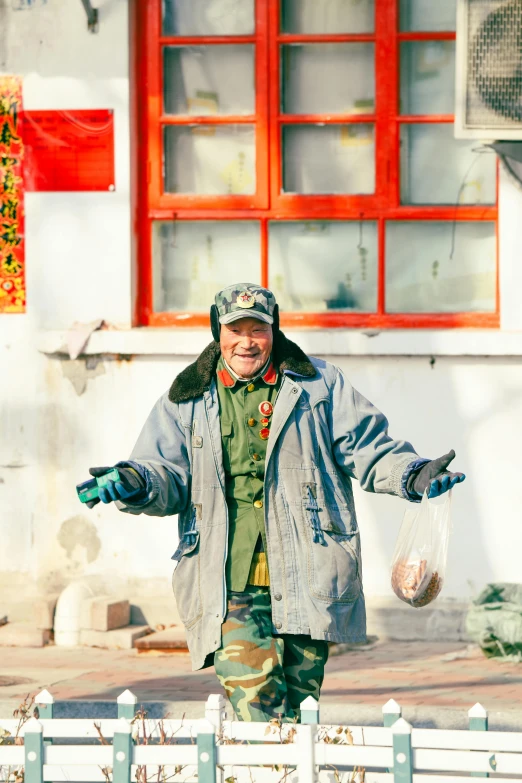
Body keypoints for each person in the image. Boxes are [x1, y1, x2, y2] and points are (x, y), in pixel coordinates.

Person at [80, 283, 465, 722]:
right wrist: (134, 481)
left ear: (274, 330)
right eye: (235, 329)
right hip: (227, 580)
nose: (247, 341)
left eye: (258, 329)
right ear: (216, 331)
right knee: (259, 711)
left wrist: (413, 474)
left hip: (311, 573)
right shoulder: (186, 398)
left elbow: (368, 448)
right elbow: (164, 471)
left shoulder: (318, 385)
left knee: (302, 716)